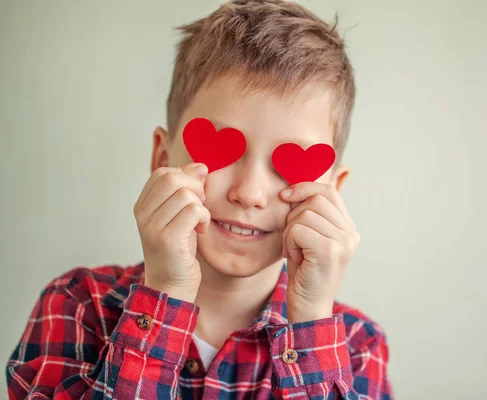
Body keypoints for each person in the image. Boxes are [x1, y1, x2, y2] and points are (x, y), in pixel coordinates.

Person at [5, 1, 393, 398]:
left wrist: (311, 319)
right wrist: (166, 293)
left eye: (287, 165)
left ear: (333, 191)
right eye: (222, 151)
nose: (248, 193)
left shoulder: (359, 347)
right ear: (162, 158)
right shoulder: (76, 306)